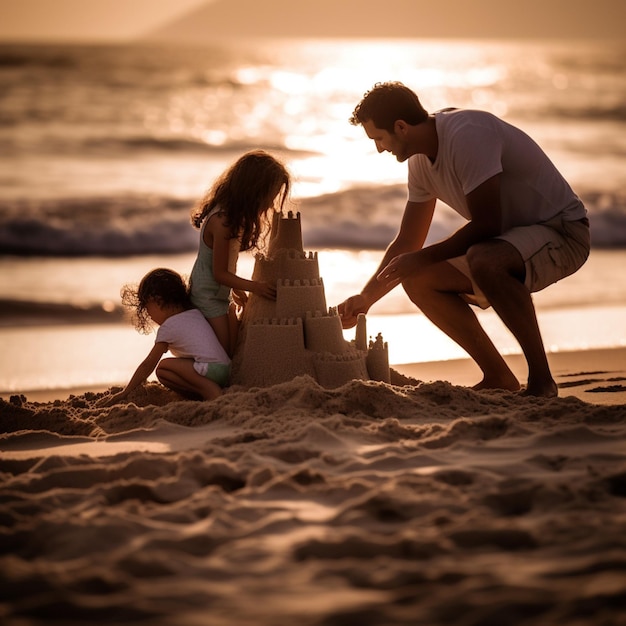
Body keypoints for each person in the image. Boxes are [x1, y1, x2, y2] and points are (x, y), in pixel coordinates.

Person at [338, 82, 590, 397]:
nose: (379, 148)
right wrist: (366, 299)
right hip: (511, 239)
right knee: (418, 278)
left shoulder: (467, 134)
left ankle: (542, 381)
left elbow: (487, 224)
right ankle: (498, 375)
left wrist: (423, 256)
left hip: (562, 230)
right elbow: (407, 240)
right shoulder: (419, 161)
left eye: (379, 138)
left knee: (483, 258)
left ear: (401, 127)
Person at [190, 149, 292, 356]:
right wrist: (256, 287)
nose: (271, 203)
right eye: (270, 196)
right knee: (226, 356)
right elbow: (219, 274)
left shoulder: (234, 218)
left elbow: (226, 267)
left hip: (221, 295)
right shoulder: (222, 222)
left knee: (236, 346)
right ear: (254, 191)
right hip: (207, 297)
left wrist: (237, 291)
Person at [104, 268, 231, 405]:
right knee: (165, 375)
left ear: (157, 300)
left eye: (147, 308)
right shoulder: (193, 313)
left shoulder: (169, 327)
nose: (149, 315)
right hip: (225, 369)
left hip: (210, 369)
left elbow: (148, 364)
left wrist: (125, 392)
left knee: (163, 367)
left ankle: (211, 391)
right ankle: (201, 392)